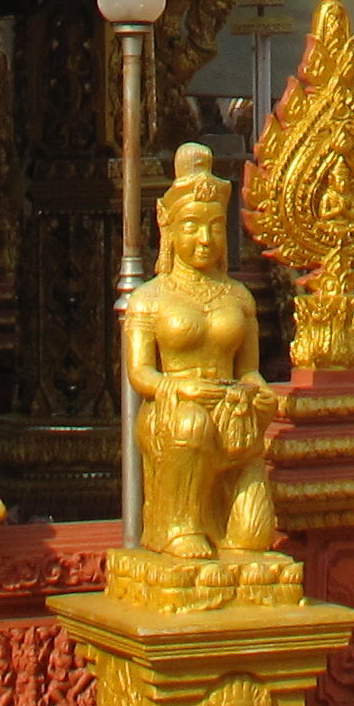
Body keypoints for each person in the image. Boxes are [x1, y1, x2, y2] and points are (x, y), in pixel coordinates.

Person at [123, 142, 274, 563]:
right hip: (174, 413)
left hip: (230, 412)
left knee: (254, 537)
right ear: (169, 230)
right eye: (192, 226)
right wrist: (180, 389)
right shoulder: (149, 299)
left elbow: (249, 370)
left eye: (214, 227)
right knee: (191, 426)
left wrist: (258, 392)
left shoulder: (238, 296)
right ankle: (177, 528)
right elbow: (140, 374)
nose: (205, 239)